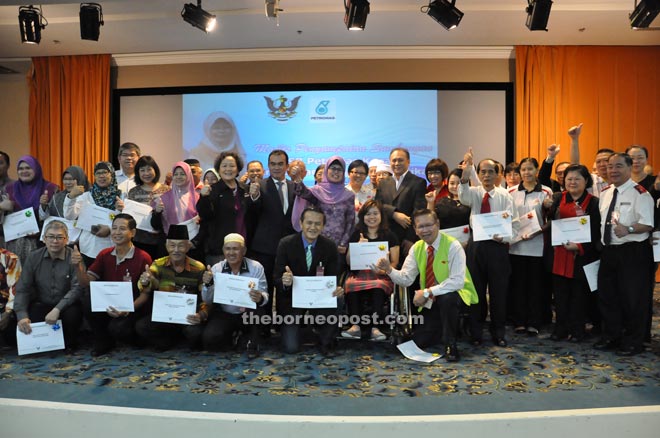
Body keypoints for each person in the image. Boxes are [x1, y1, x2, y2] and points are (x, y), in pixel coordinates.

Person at [374, 209, 478, 362]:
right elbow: (406, 279)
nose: (425, 230)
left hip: (458, 296)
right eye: (420, 226)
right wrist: (389, 270)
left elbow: (457, 282)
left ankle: (451, 344)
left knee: (447, 298)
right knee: (420, 341)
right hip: (430, 301)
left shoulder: (453, 245)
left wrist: (427, 292)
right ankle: (439, 331)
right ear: (415, 230)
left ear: (437, 224)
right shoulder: (417, 248)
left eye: (429, 225)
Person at [595, 153, 654, 356]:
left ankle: (633, 342)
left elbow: (647, 224)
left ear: (629, 168)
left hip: (632, 252)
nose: (613, 170)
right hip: (609, 251)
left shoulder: (640, 193)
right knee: (608, 297)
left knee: (632, 299)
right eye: (610, 167)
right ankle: (612, 336)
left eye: (618, 166)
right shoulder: (605, 192)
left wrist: (628, 229)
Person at [458, 149, 516, 347]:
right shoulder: (473, 193)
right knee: (476, 291)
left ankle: (498, 331)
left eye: (491, 171)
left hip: (498, 247)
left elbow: (513, 223)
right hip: (477, 246)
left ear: (498, 174)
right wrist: (466, 175)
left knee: (499, 292)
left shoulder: (505, 195)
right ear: (479, 173)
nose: (487, 175)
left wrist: (505, 237)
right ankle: (476, 331)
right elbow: (463, 196)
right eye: (483, 171)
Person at [73, 214, 153, 356]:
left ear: (132, 233)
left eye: (122, 229)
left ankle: (135, 340)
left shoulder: (143, 257)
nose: (116, 232)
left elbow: (145, 294)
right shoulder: (104, 254)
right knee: (87, 298)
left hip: (132, 306)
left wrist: (127, 310)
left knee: (119, 330)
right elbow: (86, 282)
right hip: (108, 302)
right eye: (114, 228)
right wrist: (78, 265)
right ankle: (103, 341)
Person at [273, 207, 345, 355]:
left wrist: (337, 288)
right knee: (290, 348)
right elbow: (276, 278)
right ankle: (301, 331)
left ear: (323, 226)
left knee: (339, 298)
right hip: (292, 300)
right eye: (309, 223)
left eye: (318, 224)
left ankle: (326, 341)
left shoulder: (330, 246)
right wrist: (285, 282)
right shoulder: (286, 244)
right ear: (301, 223)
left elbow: (333, 277)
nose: (313, 227)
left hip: (319, 298)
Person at [547, 164, 601, 342]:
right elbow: (551, 221)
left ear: (586, 181)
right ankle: (560, 329)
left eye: (577, 178)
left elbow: (595, 231)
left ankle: (577, 330)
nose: (572, 182)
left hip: (581, 255)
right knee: (560, 295)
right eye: (569, 178)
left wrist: (579, 246)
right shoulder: (558, 198)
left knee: (579, 296)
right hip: (560, 254)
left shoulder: (593, 203)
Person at [14, 220, 84, 352]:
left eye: (59, 237)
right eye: (51, 237)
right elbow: (23, 288)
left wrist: (57, 309)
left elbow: (77, 288)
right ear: (44, 239)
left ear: (67, 239)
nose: (55, 241)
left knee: (73, 314)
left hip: (66, 306)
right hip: (43, 303)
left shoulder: (74, 257)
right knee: (22, 325)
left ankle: (70, 342)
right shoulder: (33, 257)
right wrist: (21, 315)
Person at [135, 225, 207, 351]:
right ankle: (168, 340)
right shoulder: (158, 265)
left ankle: (183, 338)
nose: (176, 250)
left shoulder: (198, 268)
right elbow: (145, 283)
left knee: (196, 334)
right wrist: (145, 281)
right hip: (165, 315)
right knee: (141, 327)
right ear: (166, 247)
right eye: (172, 245)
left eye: (181, 246)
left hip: (188, 316)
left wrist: (201, 314)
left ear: (188, 246)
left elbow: (206, 297)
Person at [247, 150, 296, 327]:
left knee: (285, 288)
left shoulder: (294, 186)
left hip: (288, 248)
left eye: (280, 163)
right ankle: (264, 329)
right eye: (273, 164)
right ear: (268, 166)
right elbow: (251, 215)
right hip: (264, 248)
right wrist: (253, 197)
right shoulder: (258, 185)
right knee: (264, 289)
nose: (276, 167)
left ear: (286, 166)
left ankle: (283, 327)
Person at [201, 233, 267, 358]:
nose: (231, 253)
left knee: (252, 347)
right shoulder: (216, 269)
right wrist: (207, 285)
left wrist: (260, 297)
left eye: (236, 249)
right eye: (228, 249)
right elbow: (207, 300)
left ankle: (247, 338)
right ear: (223, 251)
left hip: (248, 313)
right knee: (210, 340)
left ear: (244, 251)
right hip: (225, 313)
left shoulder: (256, 267)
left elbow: (265, 294)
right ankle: (234, 338)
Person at [507, 158, 553, 336]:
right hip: (516, 246)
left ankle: (534, 322)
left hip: (537, 245)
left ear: (537, 170)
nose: (526, 173)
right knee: (517, 285)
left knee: (536, 286)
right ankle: (519, 321)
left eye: (530, 169)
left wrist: (539, 230)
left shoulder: (546, 191)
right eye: (523, 170)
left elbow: (551, 220)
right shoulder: (511, 191)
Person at [342, 200, 399, 341]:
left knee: (379, 286)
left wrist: (385, 270)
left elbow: (395, 262)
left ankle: (375, 328)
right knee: (350, 284)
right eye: (367, 214)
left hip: (381, 275)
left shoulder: (390, 235)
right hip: (359, 274)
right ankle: (355, 326)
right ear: (362, 216)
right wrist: (357, 247)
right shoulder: (357, 235)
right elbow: (348, 262)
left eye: (375, 213)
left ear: (381, 216)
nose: (371, 217)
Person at [291, 156, 355, 260]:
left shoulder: (349, 195)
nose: (336, 172)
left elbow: (350, 222)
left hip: (338, 248)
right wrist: (297, 178)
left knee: (335, 275)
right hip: (316, 243)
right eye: (333, 168)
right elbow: (302, 192)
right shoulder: (317, 192)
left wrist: (343, 243)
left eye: (339, 169)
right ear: (326, 170)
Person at [1, 155, 59, 263]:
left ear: (36, 169)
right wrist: (2, 207)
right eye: (21, 168)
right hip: (13, 247)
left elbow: (56, 218)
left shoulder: (50, 189)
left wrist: (41, 230)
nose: (24, 171)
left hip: (41, 245)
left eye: (28, 168)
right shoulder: (9, 189)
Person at [197, 151, 250, 265]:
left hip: (243, 246)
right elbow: (205, 215)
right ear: (219, 169)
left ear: (238, 169)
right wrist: (203, 197)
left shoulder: (245, 189)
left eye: (232, 166)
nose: (228, 169)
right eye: (224, 166)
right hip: (219, 249)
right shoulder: (212, 190)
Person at [63, 161, 121, 266]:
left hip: (113, 247)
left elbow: (127, 223)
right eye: (98, 173)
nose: (102, 176)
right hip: (89, 249)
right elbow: (69, 216)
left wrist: (110, 228)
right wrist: (71, 198)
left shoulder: (121, 196)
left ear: (112, 174)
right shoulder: (86, 196)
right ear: (94, 176)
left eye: (105, 172)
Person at [375, 147, 427, 257]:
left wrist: (410, 238)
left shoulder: (418, 182)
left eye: (400, 160)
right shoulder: (383, 183)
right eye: (394, 160)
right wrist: (393, 214)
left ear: (408, 162)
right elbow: (377, 206)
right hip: (385, 237)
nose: (397, 163)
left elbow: (418, 213)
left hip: (406, 239)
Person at [126, 156, 170, 260]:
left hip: (161, 240)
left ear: (155, 170)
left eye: (149, 169)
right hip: (139, 240)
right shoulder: (133, 192)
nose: (146, 173)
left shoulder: (167, 190)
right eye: (142, 170)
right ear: (138, 173)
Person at [151, 161, 199, 236]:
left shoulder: (197, 197)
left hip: (192, 242)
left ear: (189, 176)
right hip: (170, 241)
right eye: (175, 174)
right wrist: (157, 212)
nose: (178, 177)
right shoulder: (164, 198)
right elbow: (156, 224)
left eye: (182, 174)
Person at [0, 247, 21, 347]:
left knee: (11, 338)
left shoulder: (10, 258)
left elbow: (15, 288)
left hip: (5, 307)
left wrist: (8, 312)